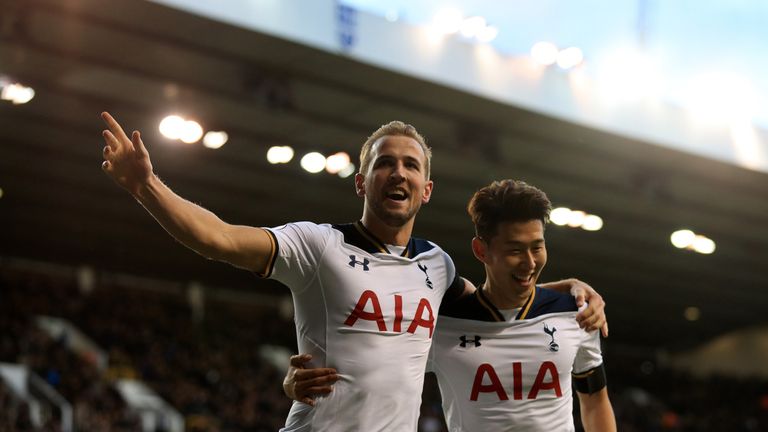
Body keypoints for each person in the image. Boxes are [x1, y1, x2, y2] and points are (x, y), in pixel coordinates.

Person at [99, 112, 606, 431]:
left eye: (412, 165)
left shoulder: (438, 267)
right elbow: (219, 238)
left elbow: (499, 303)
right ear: (361, 182)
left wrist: (569, 290)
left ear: (426, 190)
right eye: (386, 163)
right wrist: (147, 186)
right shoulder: (319, 245)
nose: (399, 172)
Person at [286, 180, 615, 431]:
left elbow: (595, 398)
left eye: (537, 247)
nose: (529, 262)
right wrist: (294, 381)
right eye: (515, 250)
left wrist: (572, 285)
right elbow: (368, 368)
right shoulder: (440, 324)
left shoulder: (575, 312)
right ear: (481, 250)